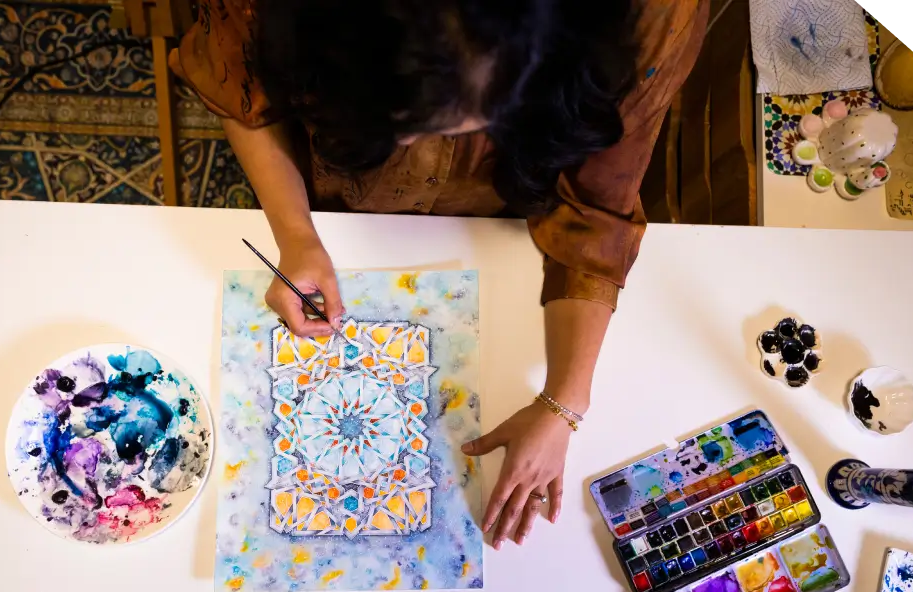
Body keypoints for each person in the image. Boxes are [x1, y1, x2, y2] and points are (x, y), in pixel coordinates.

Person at [171, 0, 708, 549]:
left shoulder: (653, 14)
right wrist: (296, 233)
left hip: (499, 222)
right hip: (334, 196)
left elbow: (597, 212)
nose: (417, 144)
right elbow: (245, 86)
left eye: (469, 118)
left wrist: (565, 403)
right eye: (402, 125)